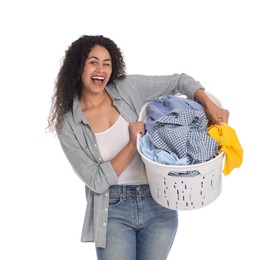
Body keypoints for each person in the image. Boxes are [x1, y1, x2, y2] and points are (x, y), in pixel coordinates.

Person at [47, 35, 229, 260]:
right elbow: (96, 180)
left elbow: (179, 81)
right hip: (113, 210)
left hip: (159, 201)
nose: (101, 69)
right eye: (93, 62)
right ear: (78, 67)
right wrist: (133, 144)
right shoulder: (68, 124)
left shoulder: (126, 88)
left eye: (107, 63)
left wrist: (209, 105)